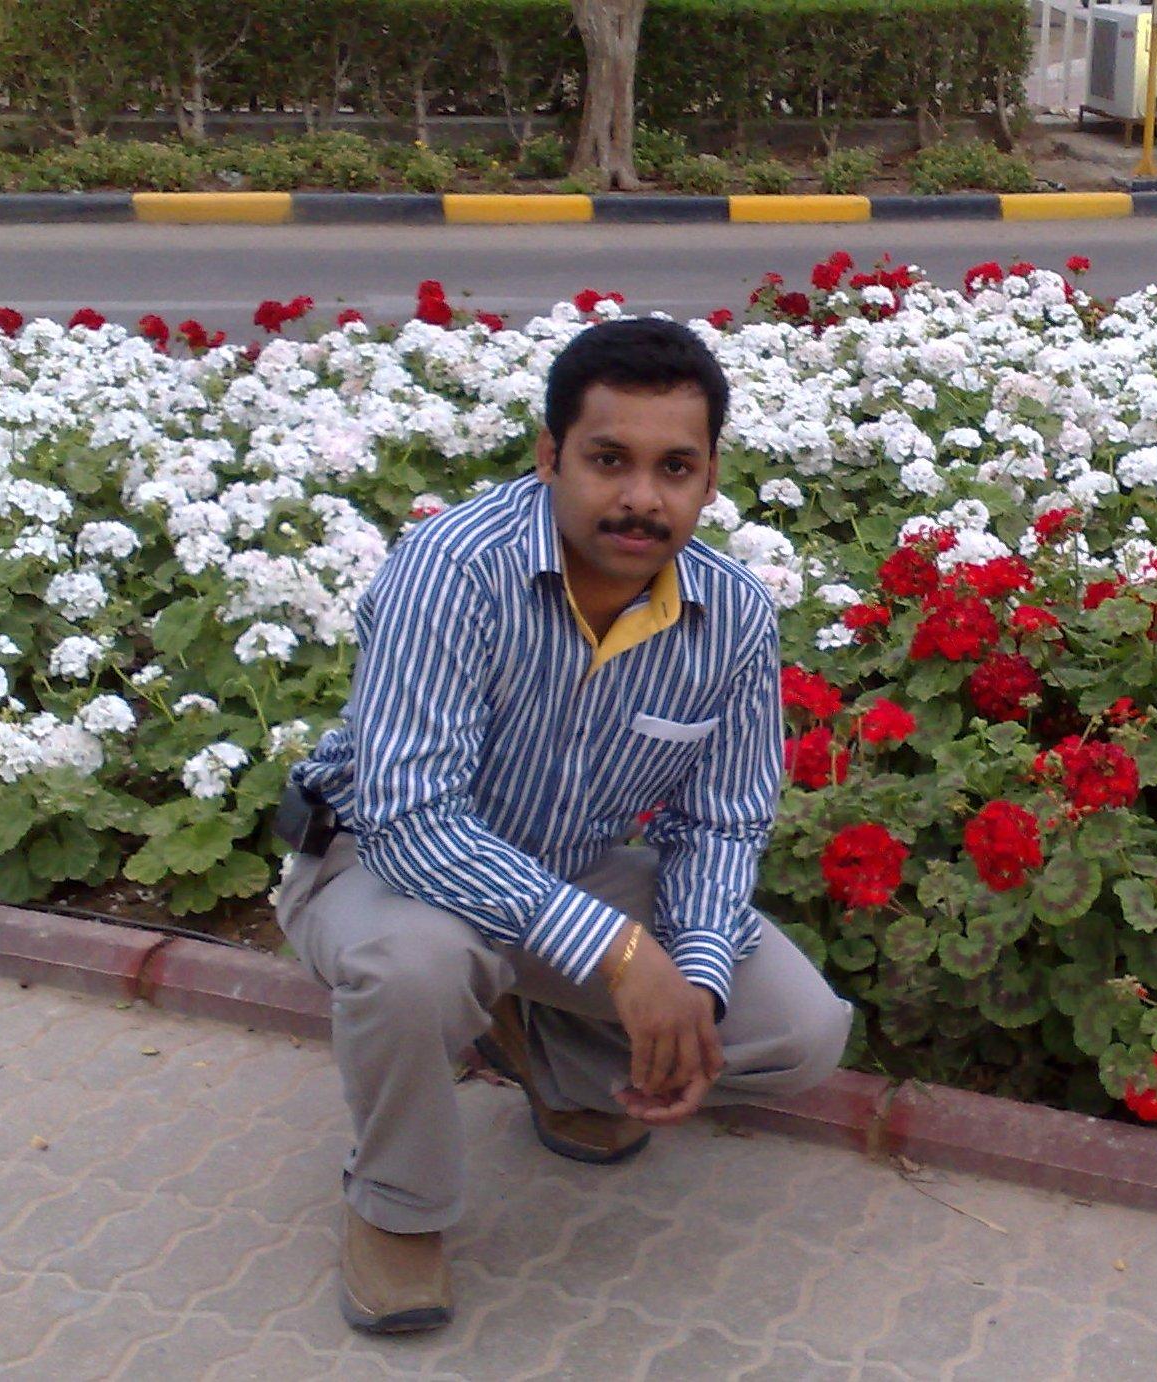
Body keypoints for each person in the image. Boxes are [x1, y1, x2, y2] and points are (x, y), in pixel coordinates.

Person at [273, 315, 854, 1335]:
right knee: (416, 966)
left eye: (675, 467)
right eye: (608, 459)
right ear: (550, 456)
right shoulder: (452, 569)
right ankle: (398, 1205)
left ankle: (546, 1051)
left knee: (798, 1030)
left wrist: (691, 980)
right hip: (379, 866)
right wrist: (621, 955)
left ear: (710, 477)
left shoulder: (731, 616)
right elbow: (411, 817)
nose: (642, 498)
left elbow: (720, 824)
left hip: (567, 871)